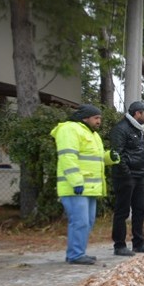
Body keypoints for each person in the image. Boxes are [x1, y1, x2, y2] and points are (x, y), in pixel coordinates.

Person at [51, 104, 118, 265]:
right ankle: (75, 255)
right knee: (80, 221)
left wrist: (110, 157)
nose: (99, 121)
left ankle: (77, 252)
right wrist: (76, 181)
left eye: (100, 118)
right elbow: (68, 157)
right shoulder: (70, 130)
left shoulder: (92, 134)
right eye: (96, 118)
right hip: (75, 187)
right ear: (84, 118)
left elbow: (95, 158)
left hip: (88, 188)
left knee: (87, 222)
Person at [110, 100, 144, 256]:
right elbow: (117, 155)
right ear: (137, 113)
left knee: (140, 210)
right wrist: (126, 174)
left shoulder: (139, 129)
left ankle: (138, 244)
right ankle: (119, 245)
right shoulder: (120, 129)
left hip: (140, 175)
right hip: (125, 177)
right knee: (122, 211)